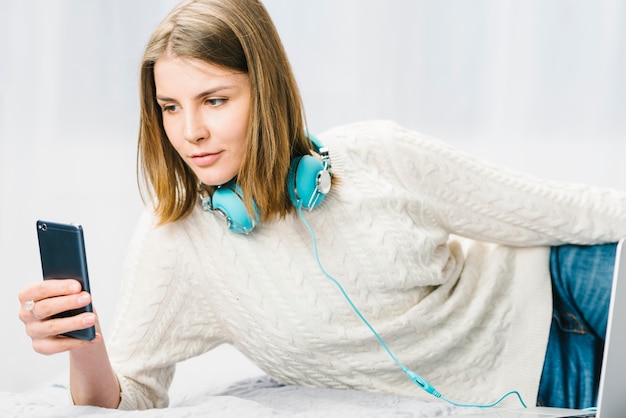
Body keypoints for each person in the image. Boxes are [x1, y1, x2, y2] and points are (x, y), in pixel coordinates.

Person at [17, 0, 626, 411]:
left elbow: (567, 211)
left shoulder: (378, 153)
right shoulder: (175, 243)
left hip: (566, 281)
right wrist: (84, 346)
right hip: (541, 379)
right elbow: (128, 399)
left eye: (215, 99)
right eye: (171, 108)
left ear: (268, 88)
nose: (191, 131)